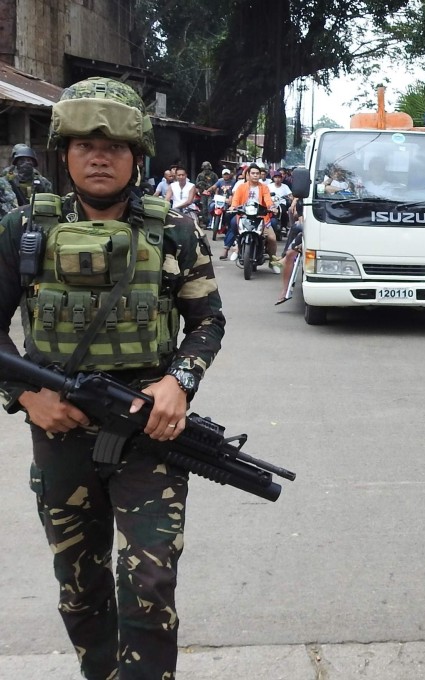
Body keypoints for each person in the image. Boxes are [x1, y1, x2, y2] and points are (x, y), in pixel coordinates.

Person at [0, 76, 225, 680]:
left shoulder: (175, 232)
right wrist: (24, 394)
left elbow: (209, 323)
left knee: (150, 584)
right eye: (83, 146)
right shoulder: (24, 230)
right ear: (63, 154)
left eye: (115, 147)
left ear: (138, 156)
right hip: (61, 437)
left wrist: (179, 381)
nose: (99, 157)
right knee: (81, 588)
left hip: (149, 431)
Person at [223, 163, 281, 272]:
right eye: (253, 173)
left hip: (261, 217)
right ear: (248, 175)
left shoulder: (264, 187)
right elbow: (236, 199)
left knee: (272, 238)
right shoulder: (241, 187)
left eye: (257, 173)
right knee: (234, 225)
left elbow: (268, 200)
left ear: (260, 175)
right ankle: (238, 248)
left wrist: (271, 207)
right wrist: (233, 207)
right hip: (244, 216)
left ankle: (273, 262)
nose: (255, 175)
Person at [2, 144, 53, 208]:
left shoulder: (40, 180)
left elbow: (49, 199)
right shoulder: (6, 177)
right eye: (22, 160)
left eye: (28, 160)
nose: (25, 163)